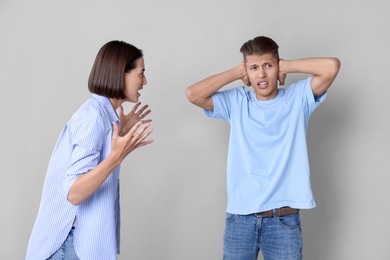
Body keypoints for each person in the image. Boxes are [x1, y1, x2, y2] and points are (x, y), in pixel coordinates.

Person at [185, 36, 340, 260]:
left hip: (283, 221)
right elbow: (193, 94)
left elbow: (331, 67)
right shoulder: (237, 102)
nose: (262, 74)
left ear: (277, 67)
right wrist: (238, 72)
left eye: (268, 65)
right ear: (247, 73)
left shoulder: (297, 98)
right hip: (240, 220)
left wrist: (286, 65)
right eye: (254, 68)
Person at [26, 40, 154, 260]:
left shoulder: (103, 116)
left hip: (77, 245)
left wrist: (118, 136)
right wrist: (115, 157)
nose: (145, 81)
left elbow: (95, 172)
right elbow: (74, 193)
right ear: (120, 74)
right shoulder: (93, 117)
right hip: (70, 246)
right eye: (141, 74)